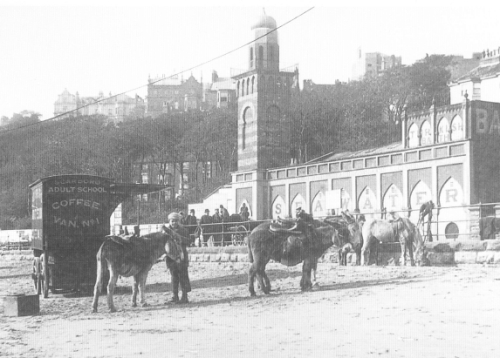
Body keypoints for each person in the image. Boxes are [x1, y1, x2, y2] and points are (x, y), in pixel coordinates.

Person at [164, 212, 192, 304]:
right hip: (171, 257)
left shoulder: (183, 230)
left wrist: (179, 238)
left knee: (183, 276)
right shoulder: (166, 231)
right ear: (169, 221)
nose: (174, 223)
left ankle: (184, 296)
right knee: (174, 277)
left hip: (182, 256)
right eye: (172, 221)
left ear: (178, 221)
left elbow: (189, 241)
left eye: (176, 221)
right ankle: (174, 296)